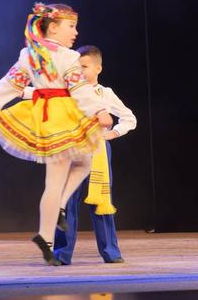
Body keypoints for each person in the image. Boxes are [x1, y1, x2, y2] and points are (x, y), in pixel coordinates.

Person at [0, 3, 112, 265]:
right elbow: (80, 89)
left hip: (45, 115)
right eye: (71, 26)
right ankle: (47, 233)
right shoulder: (68, 57)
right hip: (61, 116)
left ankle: (52, 224)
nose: (75, 32)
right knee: (63, 175)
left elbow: (11, 83)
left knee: (80, 164)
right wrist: (99, 111)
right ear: (53, 27)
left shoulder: (29, 54)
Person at [53, 45, 136, 264]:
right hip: (72, 149)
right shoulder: (68, 91)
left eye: (84, 66)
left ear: (98, 68)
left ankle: (111, 251)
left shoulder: (105, 94)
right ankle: (62, 253)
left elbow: (129, 118)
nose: (79, 71)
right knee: (66, 201)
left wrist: (114, 133)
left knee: (101, 200)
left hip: (98, 150)